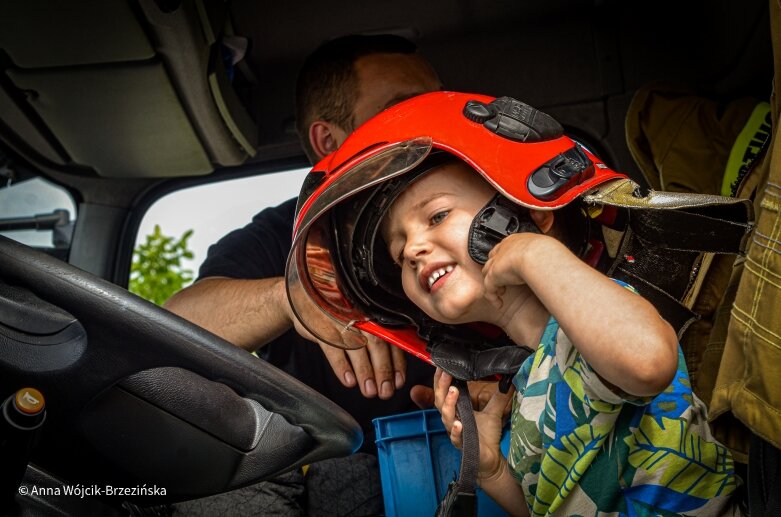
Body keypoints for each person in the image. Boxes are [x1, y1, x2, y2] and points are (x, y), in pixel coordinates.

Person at [287, 91, 742, 515]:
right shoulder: (523, 385)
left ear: (529, 212)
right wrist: (493, 470)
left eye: (437, 216)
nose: (411, 249)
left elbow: (648, 363)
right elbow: (557, 504)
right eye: (397, 250)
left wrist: (535, 254)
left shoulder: (593, 320)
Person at [165, 34, 442, 515]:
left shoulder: (477, 217)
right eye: (403, 108)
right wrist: (293, 299)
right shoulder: (279, 234)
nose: (434, 123)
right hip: (321, 462)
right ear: (329, 141)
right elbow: (178, 324)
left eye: (437, 106)